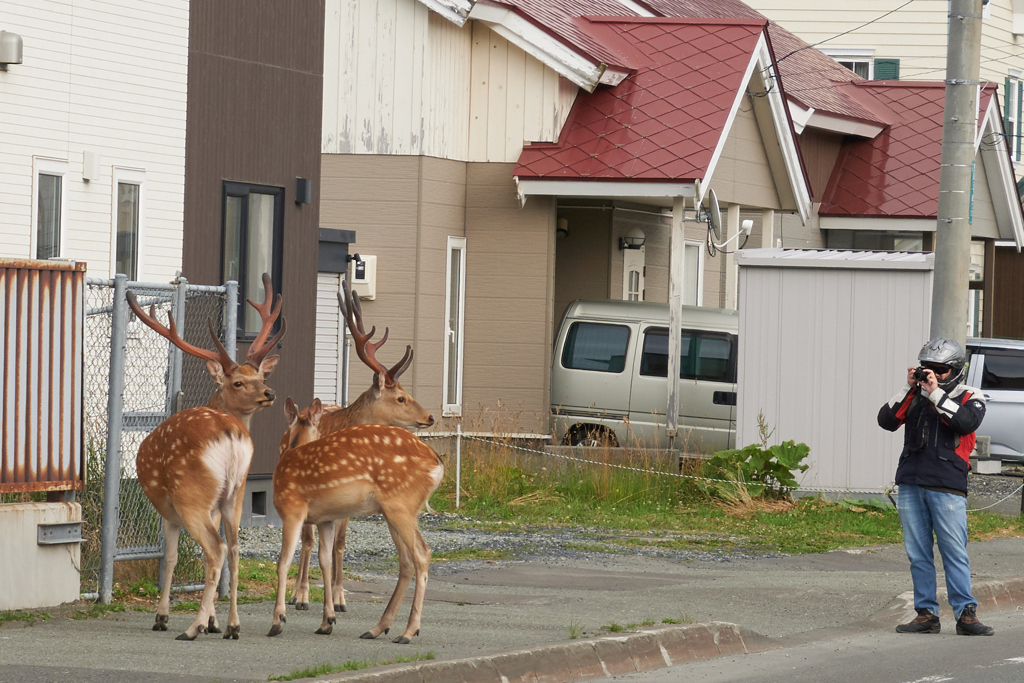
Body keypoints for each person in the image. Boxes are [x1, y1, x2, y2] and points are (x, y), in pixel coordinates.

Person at [877, 336, 994, 636]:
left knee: (953, 550)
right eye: (926, 368)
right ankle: (926, 613)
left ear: (954, 369)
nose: (932, 375)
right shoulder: (914, 394)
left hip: (947, 483)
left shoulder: (970, 395)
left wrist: (936, 394)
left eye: (939, 370)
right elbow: (887, 420)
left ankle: (966, 613)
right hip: (911, 480)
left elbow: (966, 422)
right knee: (918, 552)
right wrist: (908, 387)